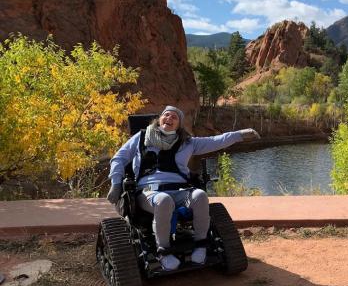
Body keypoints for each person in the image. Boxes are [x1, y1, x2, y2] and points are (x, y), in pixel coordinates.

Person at [106, 105, 260, 271]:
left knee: (200, 195)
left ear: (179, 125)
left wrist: (241, 135)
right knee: (163, 200)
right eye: (166, 115)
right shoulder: (141, 137)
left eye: (174, 117)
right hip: (148, 191)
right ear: (159, 119)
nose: (169, 119)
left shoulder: (188, 142)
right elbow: (118, 159)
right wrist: (115, 183)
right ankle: (163, 252)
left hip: (180, 190)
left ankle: (201, 245)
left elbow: (217, 141)